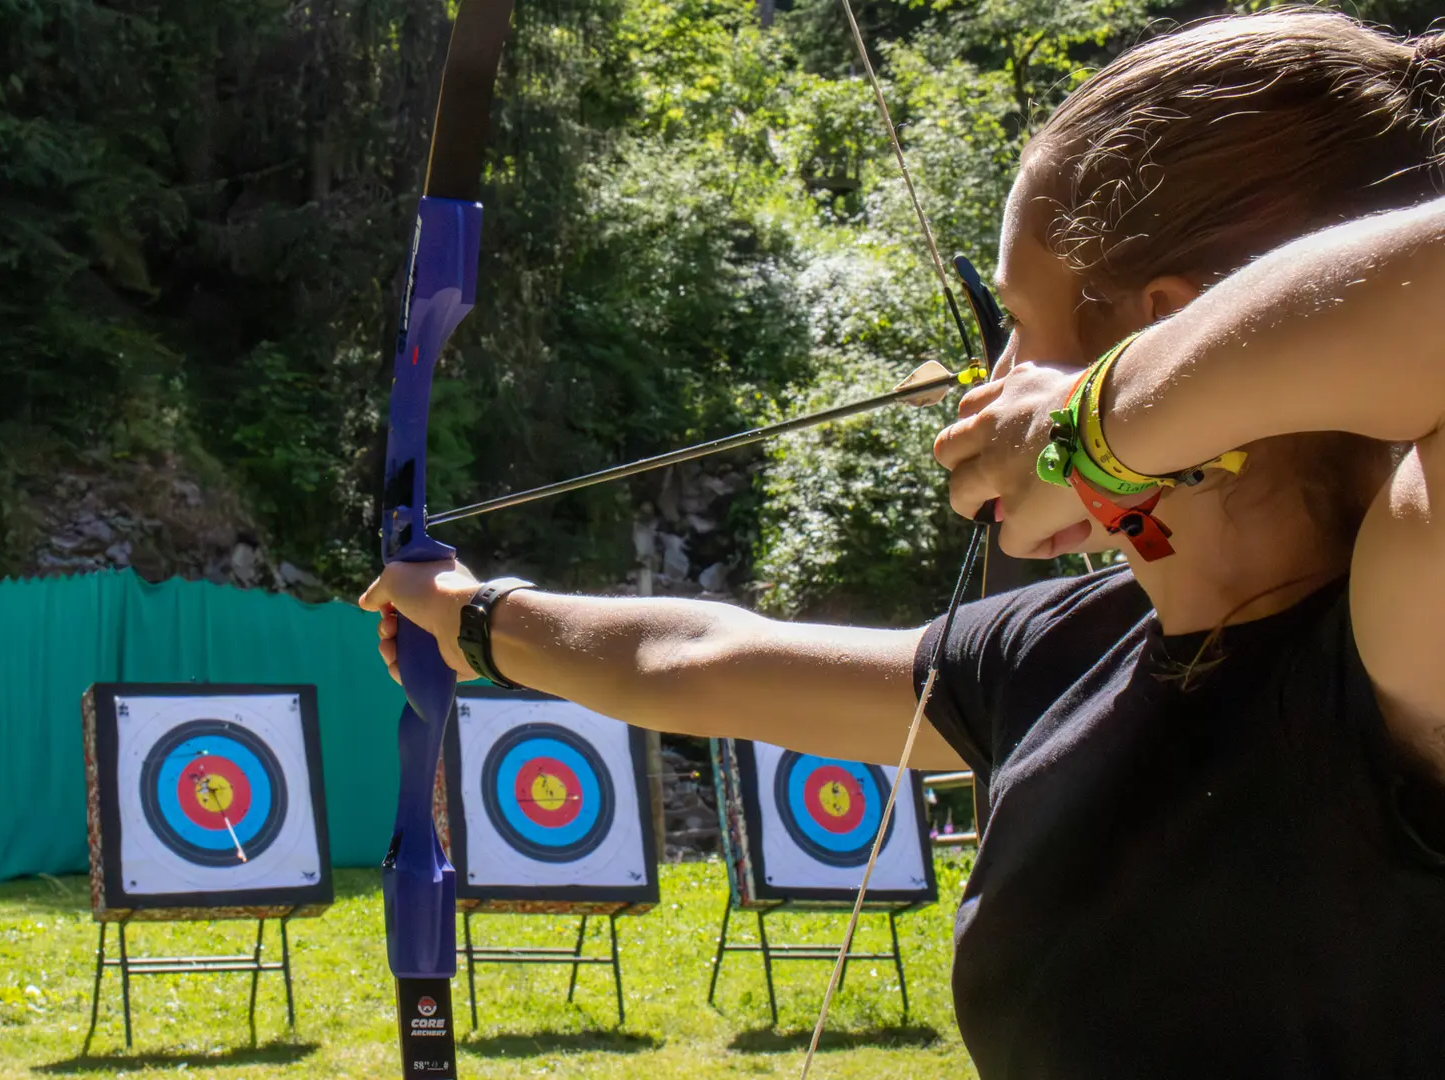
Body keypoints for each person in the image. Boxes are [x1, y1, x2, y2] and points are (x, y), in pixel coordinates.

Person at [362, 8, 1445, 1078]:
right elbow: (693, 662)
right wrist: (473, 620)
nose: (994, 376)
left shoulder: (1403, 642)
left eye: (1019, 322)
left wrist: (1089, 428)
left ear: (1157, 322)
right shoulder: (1058, 654)